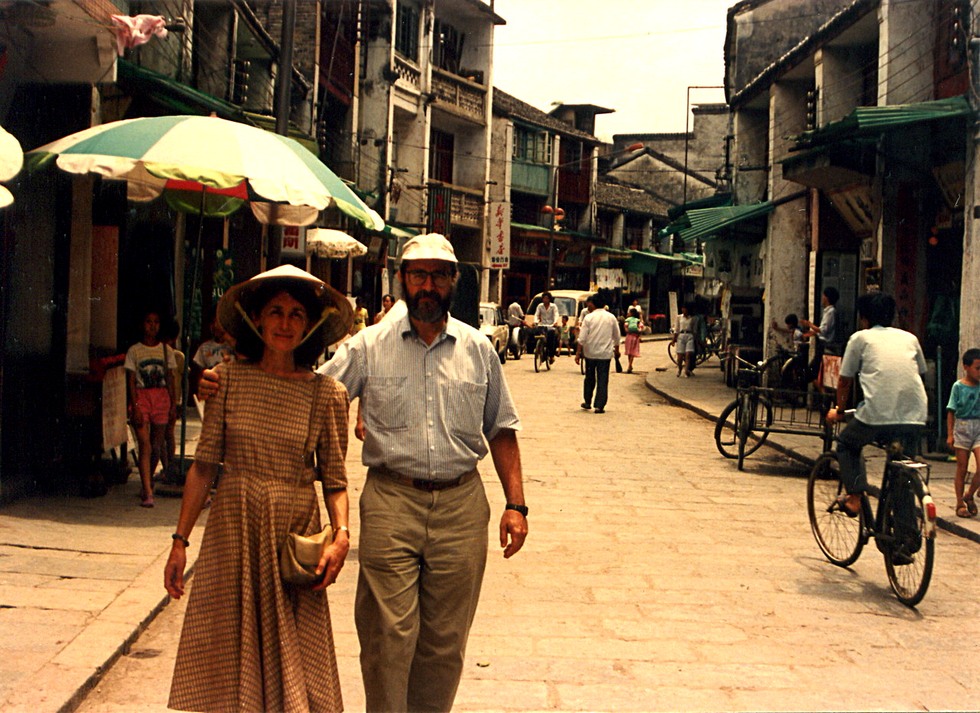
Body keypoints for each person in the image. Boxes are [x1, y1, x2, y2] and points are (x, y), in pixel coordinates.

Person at [198, 235, 527, 711]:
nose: (427, 285)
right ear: (404, 281)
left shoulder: (479, 350)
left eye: (438, 275)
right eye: (418, 275)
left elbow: (501, 430)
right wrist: (234, 376)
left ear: (454, 281)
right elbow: (303, 386)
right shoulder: (369, 346)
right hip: (392, 500)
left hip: (461, 505)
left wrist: (516, 506)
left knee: (446, 641)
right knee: (388, 636)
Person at [165, 264, 354, 712]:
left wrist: (342, 535)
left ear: (310, 327)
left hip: (293, 533)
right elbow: (204, 467)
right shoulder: (226, 380)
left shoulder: (327, 394)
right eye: (275, 311)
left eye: (295, 315)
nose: (284, 323)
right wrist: (179, 542)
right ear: (257, 319)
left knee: (299, 656)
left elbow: (336, 480)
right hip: (234, 528)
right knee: (228, 648)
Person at [826, 292, 927, 518]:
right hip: (915, 415)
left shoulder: (861, 338)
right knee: (901, 472)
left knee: (846, 444)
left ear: (864, 318)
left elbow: (844, 381)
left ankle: (854, 497)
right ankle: (905, 541)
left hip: (877, 414)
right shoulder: (909, 338)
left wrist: (840, 411)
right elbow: (919, 374)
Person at [125, 309, 178, 508]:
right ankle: (147, 491)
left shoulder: (166, 351)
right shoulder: (134, 351)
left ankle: (148, 481)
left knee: (156, 446)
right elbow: (131, 381)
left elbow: (171, 379)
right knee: (145, 445)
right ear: (142, 324)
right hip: (142, 397)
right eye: (148, 321)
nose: (152, 325)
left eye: (156, 322)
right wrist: (135, 406)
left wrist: (173, 404)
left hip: (161, 398)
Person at [946, 348, 980, 518]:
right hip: (963, 427)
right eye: (978, 368)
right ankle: (960, 502)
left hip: (978, 427)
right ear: (966, 367)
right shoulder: (958, 387)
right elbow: (951, 411)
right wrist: (950, 434)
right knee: (962, 467)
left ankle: (970, 494)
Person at [576, 294, 621, 414]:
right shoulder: (611, 317)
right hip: (605, 354)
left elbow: (582, 338)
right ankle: (599, 405)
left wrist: (578, 353)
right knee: (603, 379)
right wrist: (617, 350)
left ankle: (587, 401)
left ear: (594, 304)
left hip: (590, 353)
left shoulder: (589, 318)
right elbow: (617, 337)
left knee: (589, 378)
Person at [801, 286, 841, 384]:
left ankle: (824, 395)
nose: (822, 299)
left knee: (812, 373)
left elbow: (823, 330)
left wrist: (809, 324)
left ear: (827, 298)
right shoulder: (828, 311)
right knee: (815, 373)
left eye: (823, 296)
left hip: (824, 346)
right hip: (822, 345)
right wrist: (811, 333)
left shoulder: (831, 312)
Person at [533, 291, 559, 363]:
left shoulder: (553, 306)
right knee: (536, 333)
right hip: (542, 325)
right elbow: (536, 314)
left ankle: (551, 355)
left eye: (547, 298)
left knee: (552, 337)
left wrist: (555, 322)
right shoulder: (540, 306)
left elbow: (556, 315)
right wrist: (536, 321)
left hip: (551, 326)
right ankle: (538, 349)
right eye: (544, 298)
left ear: (549, 299)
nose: (545, 300)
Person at [671, 303, 696, 378]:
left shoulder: (692, 318)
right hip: (681, 336)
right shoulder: (679, 317)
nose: (683, 310)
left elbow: (694, 330)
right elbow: (677, 329)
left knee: (688, 354)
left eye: (685, 308)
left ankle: (686, 370)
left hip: (690, 335)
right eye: (682, 308)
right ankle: (679, 369)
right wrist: (674, 339)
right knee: (680, 356)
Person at [623, 307, 644, 373]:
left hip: (628, 336)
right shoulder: (637, 320)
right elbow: (641, 327)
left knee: (629, 351)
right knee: (632, 351)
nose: (628, 313)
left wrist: (627, 330)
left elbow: (625, 326)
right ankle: (630, 365)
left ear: (631, 313)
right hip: (635, 337)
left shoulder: (628, 319)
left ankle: (629, 365)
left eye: (629, 312)